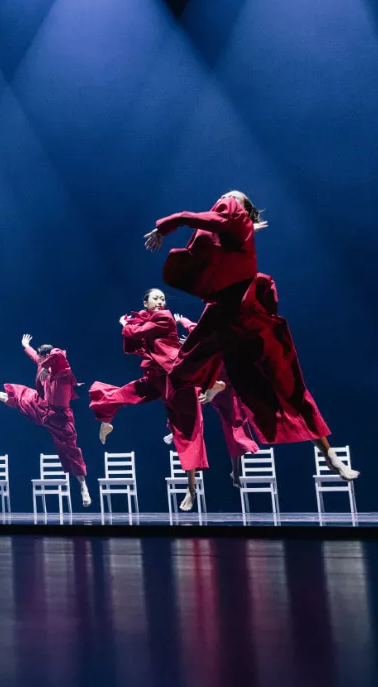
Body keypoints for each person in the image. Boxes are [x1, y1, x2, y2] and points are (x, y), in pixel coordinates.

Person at [143, 191, 357, 481]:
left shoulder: (232, 214)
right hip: (222, 319)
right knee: (179, 375)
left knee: (287, 390)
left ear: (240, 208)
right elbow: (210, 240)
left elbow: (207, 219)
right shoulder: (227, 237)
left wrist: (169, 223)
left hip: (243, 320)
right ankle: (181, 427)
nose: (224, 197)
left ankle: (329, 453)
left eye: (231, 197)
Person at [85, 288, 223, 511]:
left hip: (177, 380)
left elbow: (134, 334)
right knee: (119, 395)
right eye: (155, 298)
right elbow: (132, 347)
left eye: (162, 298)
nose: (160, 301)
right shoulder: (146, 320)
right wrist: (132, 327)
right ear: (145, 302)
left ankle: (191, 489)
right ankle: (106, 422)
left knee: (187, 434)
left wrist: (126, 325)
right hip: (155, 378)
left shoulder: (164, 317)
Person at [0, 334, 88, 506]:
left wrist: (47, 365)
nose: (40, 362)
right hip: (43, 407)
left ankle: (83, 486)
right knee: (21, 396)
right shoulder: (42, 362)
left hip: (61, 417)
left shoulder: (63, 371)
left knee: (71, 450)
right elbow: (35, 356)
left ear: (48, 358)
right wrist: (25, 345)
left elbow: (59, 354)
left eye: (43, 359)